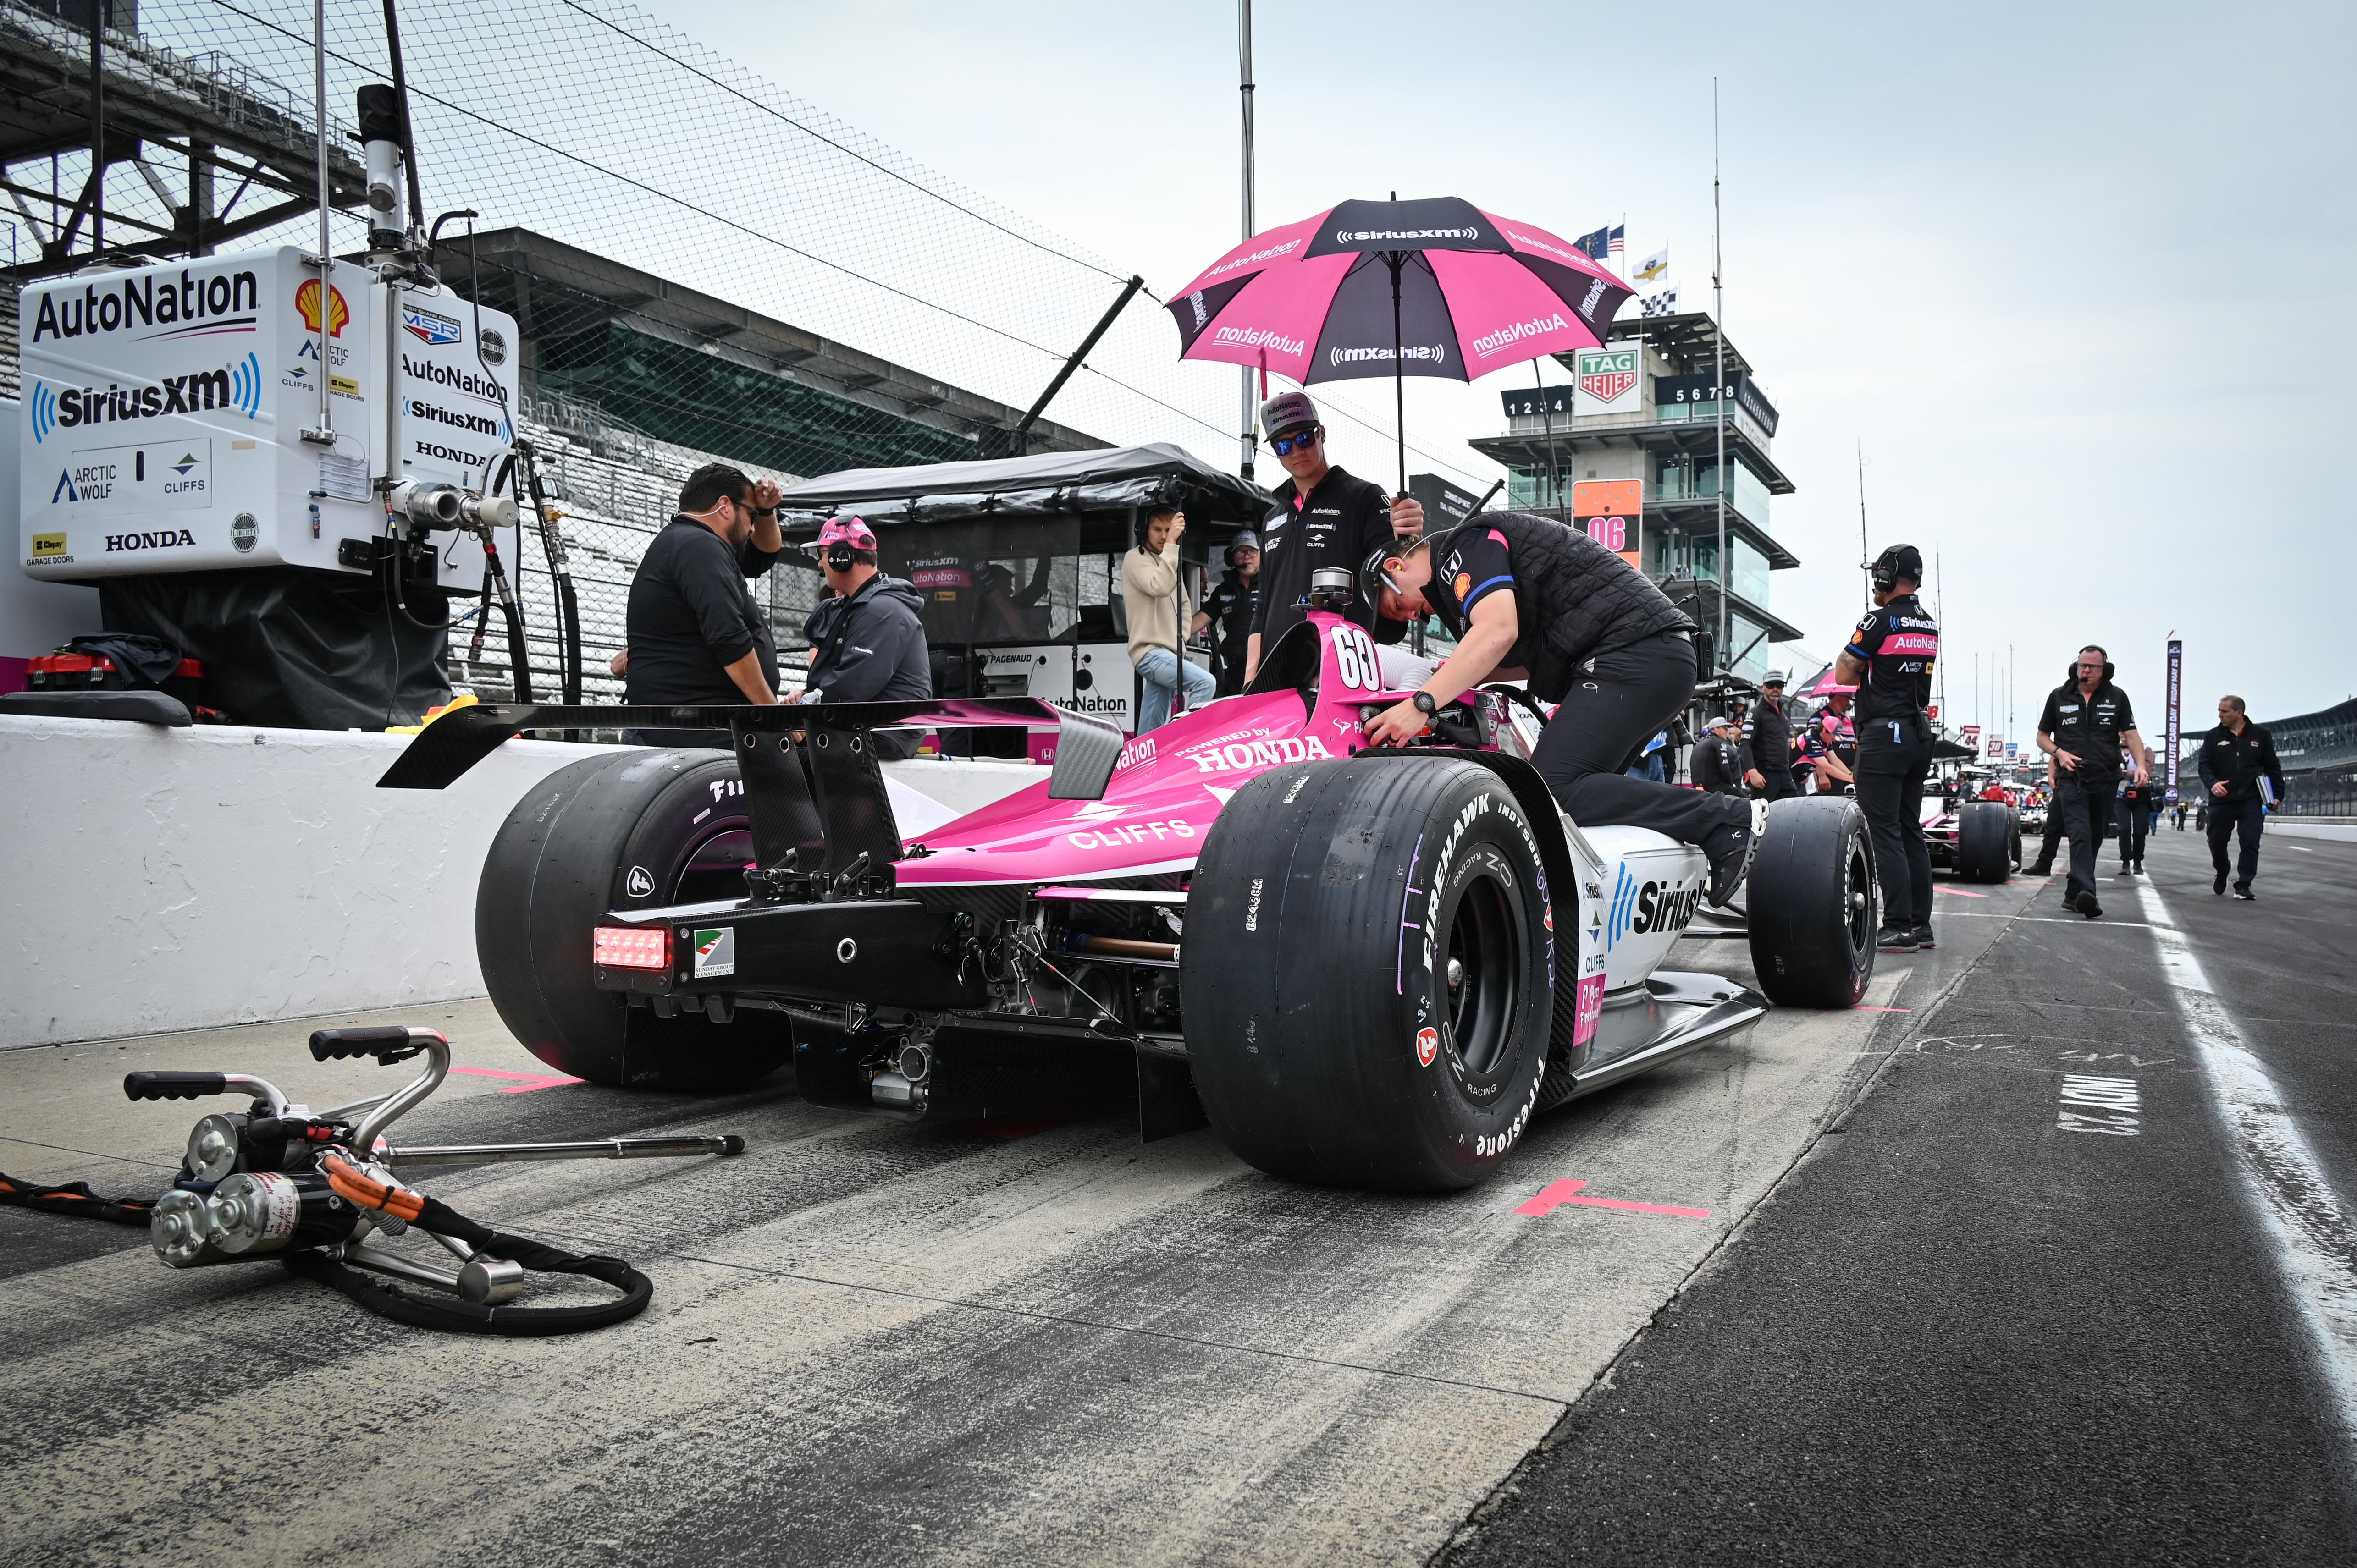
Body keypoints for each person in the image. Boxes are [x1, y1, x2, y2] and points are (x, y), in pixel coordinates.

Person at [1360, 512, 1766, 905]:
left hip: (1633, 653)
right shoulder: (1467, 570)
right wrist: (1454, 675)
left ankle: (1725, 819)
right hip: (1655, 655)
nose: (1414, 617)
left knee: (1550, 790)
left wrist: (1422, 702)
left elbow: (1498, 631)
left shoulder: (1460, 547)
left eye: (1399, 607)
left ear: (1397, 566)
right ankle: (1689, 851)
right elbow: (1512, 656)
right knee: (1586, 801)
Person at [1242, 391, 1423, 687]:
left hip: (1341, 670)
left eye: (1304, 439)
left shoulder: (1363, 497)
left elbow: (1395, 572)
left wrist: (1407, 536)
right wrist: (1252, 675)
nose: (1297, 451)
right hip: (1276, 676)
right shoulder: (1272, 517)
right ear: (1275, 450)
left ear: (1321, 434)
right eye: (1284, 445)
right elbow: (1264, 603)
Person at [623, 462, 786, 747]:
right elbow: (729, 639)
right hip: (693, 728)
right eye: (751, 514)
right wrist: (772, 714)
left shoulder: (695, 540)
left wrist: (767, 510)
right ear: (725, 506)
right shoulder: (699, 546)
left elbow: (763, 557)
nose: (752, 526)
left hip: (694, 723)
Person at [1835, 544, 1940, 952]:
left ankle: (1898, 925)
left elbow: (1844, 671)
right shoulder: (1929, 624)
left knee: (1885, 834)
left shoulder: (1878, 620)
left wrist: (1863, 664)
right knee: (1910, 829)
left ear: (1884, 578)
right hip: (1918, 734)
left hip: (1883, 736)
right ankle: (1920, 925)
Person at [790, 517, 933, 757]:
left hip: (884, 733)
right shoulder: (859, 606)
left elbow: (853, 686)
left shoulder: (883, 610)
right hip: (866, 728)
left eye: (822, 554)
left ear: (842, 558)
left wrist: (804, 707)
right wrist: (806, 697)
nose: (819, 564)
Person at [2034, 645, 2148, 919]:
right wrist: (2058, 753)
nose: (2085, 671)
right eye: (2082, 665)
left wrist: (2142, 766)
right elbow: (2042, 737)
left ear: (2104, 670)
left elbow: (2131, 736)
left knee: (2095, 835)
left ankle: (2074, 893)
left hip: (2106, 777)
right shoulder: (2059, 696)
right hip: (2072, 777)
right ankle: (2089, 893)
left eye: (2092, 667)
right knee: (2079, 832)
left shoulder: (2118, 697)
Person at [1125, 506, 1215, 733]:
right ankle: (1183, 741)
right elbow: (1160, 586)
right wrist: (1173, 543)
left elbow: (1185, 605)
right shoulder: (1135, 558)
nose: (1164, 536)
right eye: (1157, 530)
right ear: (1144, 530)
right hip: (1149, 652)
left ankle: (1145, 761)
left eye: (1169, 530)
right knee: (1206, 683)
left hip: (1169, 653)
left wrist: (1182, 639)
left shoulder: (1168, 561)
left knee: (1150, 726)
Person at [2197, 694, 2285, 899]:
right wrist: (2213, 784)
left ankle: (2244, 884)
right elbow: (2204, 766)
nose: (2220, 715)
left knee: (2250, 840)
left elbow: (2273, 766)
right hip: (2222, 798)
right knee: (2216, 841)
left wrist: (2278, 794)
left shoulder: (2261, 735)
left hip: (2251, 798)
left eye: (2224, 711)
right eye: (2219, 711)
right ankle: (2222, 870)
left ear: (2240, 713)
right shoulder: (2213, 737)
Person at [1193, 529, 1261, 697]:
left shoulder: (1272, 586)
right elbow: (1197, 622)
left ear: (1262, 555)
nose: (1246, 557)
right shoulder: (1223, 591)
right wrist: (1169, 637)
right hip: (1234, 671)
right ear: (1231, 558)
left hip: (1265, 669)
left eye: (1252, 551)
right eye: (1240, 552)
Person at [1740, 672, 1799, 799]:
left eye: (1779, 685)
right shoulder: (1755, 713)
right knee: (1763, 816)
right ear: (1764, 687)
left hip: (1785, 774)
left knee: (1792, 813)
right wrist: (1752, 771)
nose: (1775, 689)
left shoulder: (1784, 712)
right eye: (1771, 685)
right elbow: (1744, 744)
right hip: (1764, 775)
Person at [2115, 759, 2154, 876]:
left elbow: (2148, 772)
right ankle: (2126, 861)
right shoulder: (2116, 750)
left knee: (2140, 831)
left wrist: (2127, 773)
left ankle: (2138, 862)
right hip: (2120, 797)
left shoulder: (2146, 751)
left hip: (2141, 797)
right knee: (2124, 828)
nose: (2124, 738)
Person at [1692, 714, 1747, 796]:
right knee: (1744, 800)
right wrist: (1731, 786)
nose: (1727, 731)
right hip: (1713, 787)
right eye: (1725, 728)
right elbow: (1725, 769)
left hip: (1697, 786)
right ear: (1716, 729)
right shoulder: (1718, 742)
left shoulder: (1700, 743)